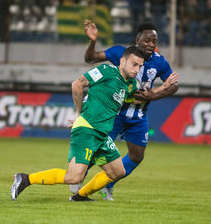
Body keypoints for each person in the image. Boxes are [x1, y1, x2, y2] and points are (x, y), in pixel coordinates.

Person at [11, 46, 145, 201]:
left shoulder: (131, 85)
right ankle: (25, 179)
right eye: (134, 64)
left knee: (118, 172)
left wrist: (161, 89)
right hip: (87, 129)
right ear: (123, 61)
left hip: (101, 134)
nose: (137, 69)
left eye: (140, 66)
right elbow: (77, 84)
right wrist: (79, 114)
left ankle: (79, 196)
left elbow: (133, 98)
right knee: (74, 177)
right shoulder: (106, 70)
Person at [71, 20, 179, 201]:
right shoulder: (120, 53)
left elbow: (173, 86)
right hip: (115, 113)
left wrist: (153, 95)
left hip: (138, 116)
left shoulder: (160, 62)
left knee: (136, 156)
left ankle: (107, 185)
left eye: (154, 41)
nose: (151, 44)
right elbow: (90, 59)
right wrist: (92, 41)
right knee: (95, 148)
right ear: (137, 39)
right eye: (147, 40)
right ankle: (77, 180)